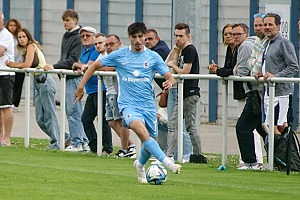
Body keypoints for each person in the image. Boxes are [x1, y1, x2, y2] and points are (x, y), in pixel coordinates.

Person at [74, 22, 181, 183]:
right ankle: (167, 163)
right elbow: (95, 65)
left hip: (148, 105)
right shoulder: (120, 55)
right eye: (134, 37)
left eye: (140, 36)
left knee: (150, 140)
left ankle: (139, 165)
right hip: (128, 105)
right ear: (129, 37)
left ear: (144, 36)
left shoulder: (153, 57)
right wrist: (81, 86)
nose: (138, 40)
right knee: (140, 130)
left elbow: (170, 76)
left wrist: (170, 82)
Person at [5, 28, 65, 149]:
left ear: (28, 37)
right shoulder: (25, 50)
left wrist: (13, 65)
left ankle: (56, 142)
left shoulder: (31, 46)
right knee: (40, 118)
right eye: (19, 37)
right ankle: (65, 137)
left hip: (44, 80)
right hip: (37, 82)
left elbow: (27, 64)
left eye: (23, 37)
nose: (22, 39)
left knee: (49, 114)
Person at [43, 9, 86, 152]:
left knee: (74, 111)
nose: (64, 23)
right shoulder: (67, 35)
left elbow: (73, 60)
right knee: (72, 111)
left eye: (67, 20)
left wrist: (54, 66)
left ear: (75, 20)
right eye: (63, 20)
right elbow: (65, 58)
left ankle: (77, 142)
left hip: (74, 77)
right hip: (67, 77)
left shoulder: (79, 36)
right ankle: (83, 141)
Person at [255, 13, 299, 134]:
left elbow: (294, 67)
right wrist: (261, 73)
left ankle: (285, 153)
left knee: (278, 127)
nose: (267, 27)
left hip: (281, 93)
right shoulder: (267, 43)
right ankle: (276, 153)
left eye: (270, 24)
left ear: (278, 26)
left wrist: (276, 76)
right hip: (268, 91)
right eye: (265, 25)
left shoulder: (284, 43)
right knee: (269, 126)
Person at [165, 23, 201, 163]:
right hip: (181, 92)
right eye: (176, 36)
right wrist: (175, 52)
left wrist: (173, 65)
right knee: (175, 124)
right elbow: (169, 66)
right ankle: (170, 154)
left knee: (188, 126)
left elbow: (184, 71)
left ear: (188, 36)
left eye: (181, 36)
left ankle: (197, 155)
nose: (178, 39)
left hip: (189, 93)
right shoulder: (180, 50)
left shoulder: (190, 50)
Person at [72, 28, 112, 154]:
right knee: (86, 119)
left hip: (102, 89)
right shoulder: (86, 50)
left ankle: (107, 148)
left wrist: (81, 66)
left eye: (88, 35)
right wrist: (80, 65)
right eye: (82, 36)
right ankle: (94, 147)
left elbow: (88, 66)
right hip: (92, 90)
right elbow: (81, 65)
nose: (85, 38)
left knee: (104, 119)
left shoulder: (96, 52)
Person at [235, 17, 268, 170]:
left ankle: (251, 162)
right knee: (264, 128)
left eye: (237, 34)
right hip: (260, 92)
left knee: (243, 126)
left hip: (257, 93)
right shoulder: (258, 44)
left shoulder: (246, 45)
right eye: (257, 25)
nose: (234, 37)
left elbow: (242, 71)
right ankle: (280, 159)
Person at [98, 34, 136, 157]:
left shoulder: (121, 53)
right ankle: (131, 146)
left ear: (119, 43)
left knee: (121, 121)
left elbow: (108, 68)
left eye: (111, 44)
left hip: (118, 92)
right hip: (110, 91)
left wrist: (94, 67)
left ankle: (126, 149)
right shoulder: (106, 55)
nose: (108, 47)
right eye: (106, 45)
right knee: (111, 121)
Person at [207, 24, 246, 118]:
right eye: (225, 34)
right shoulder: (229, 49)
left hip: (246, 89)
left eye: (231, 34)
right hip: (239, 91)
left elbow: (234, 70)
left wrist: (218, 71)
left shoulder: (241, 48)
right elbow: (228, 69)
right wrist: (218, 69)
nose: (228, 36)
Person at [0, 12, 15, 147]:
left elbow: (0, 51)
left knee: (6, 106)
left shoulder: (6, 35)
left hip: (5, 74)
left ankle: (6, 138)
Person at [5, 19, 23, 110]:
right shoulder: (6, 37)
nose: (12, 27)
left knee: (18, 84)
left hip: (19, 63)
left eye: (14, 25)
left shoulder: (19, 37)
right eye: (10, 25)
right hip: (9, 64)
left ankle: (15, 103)